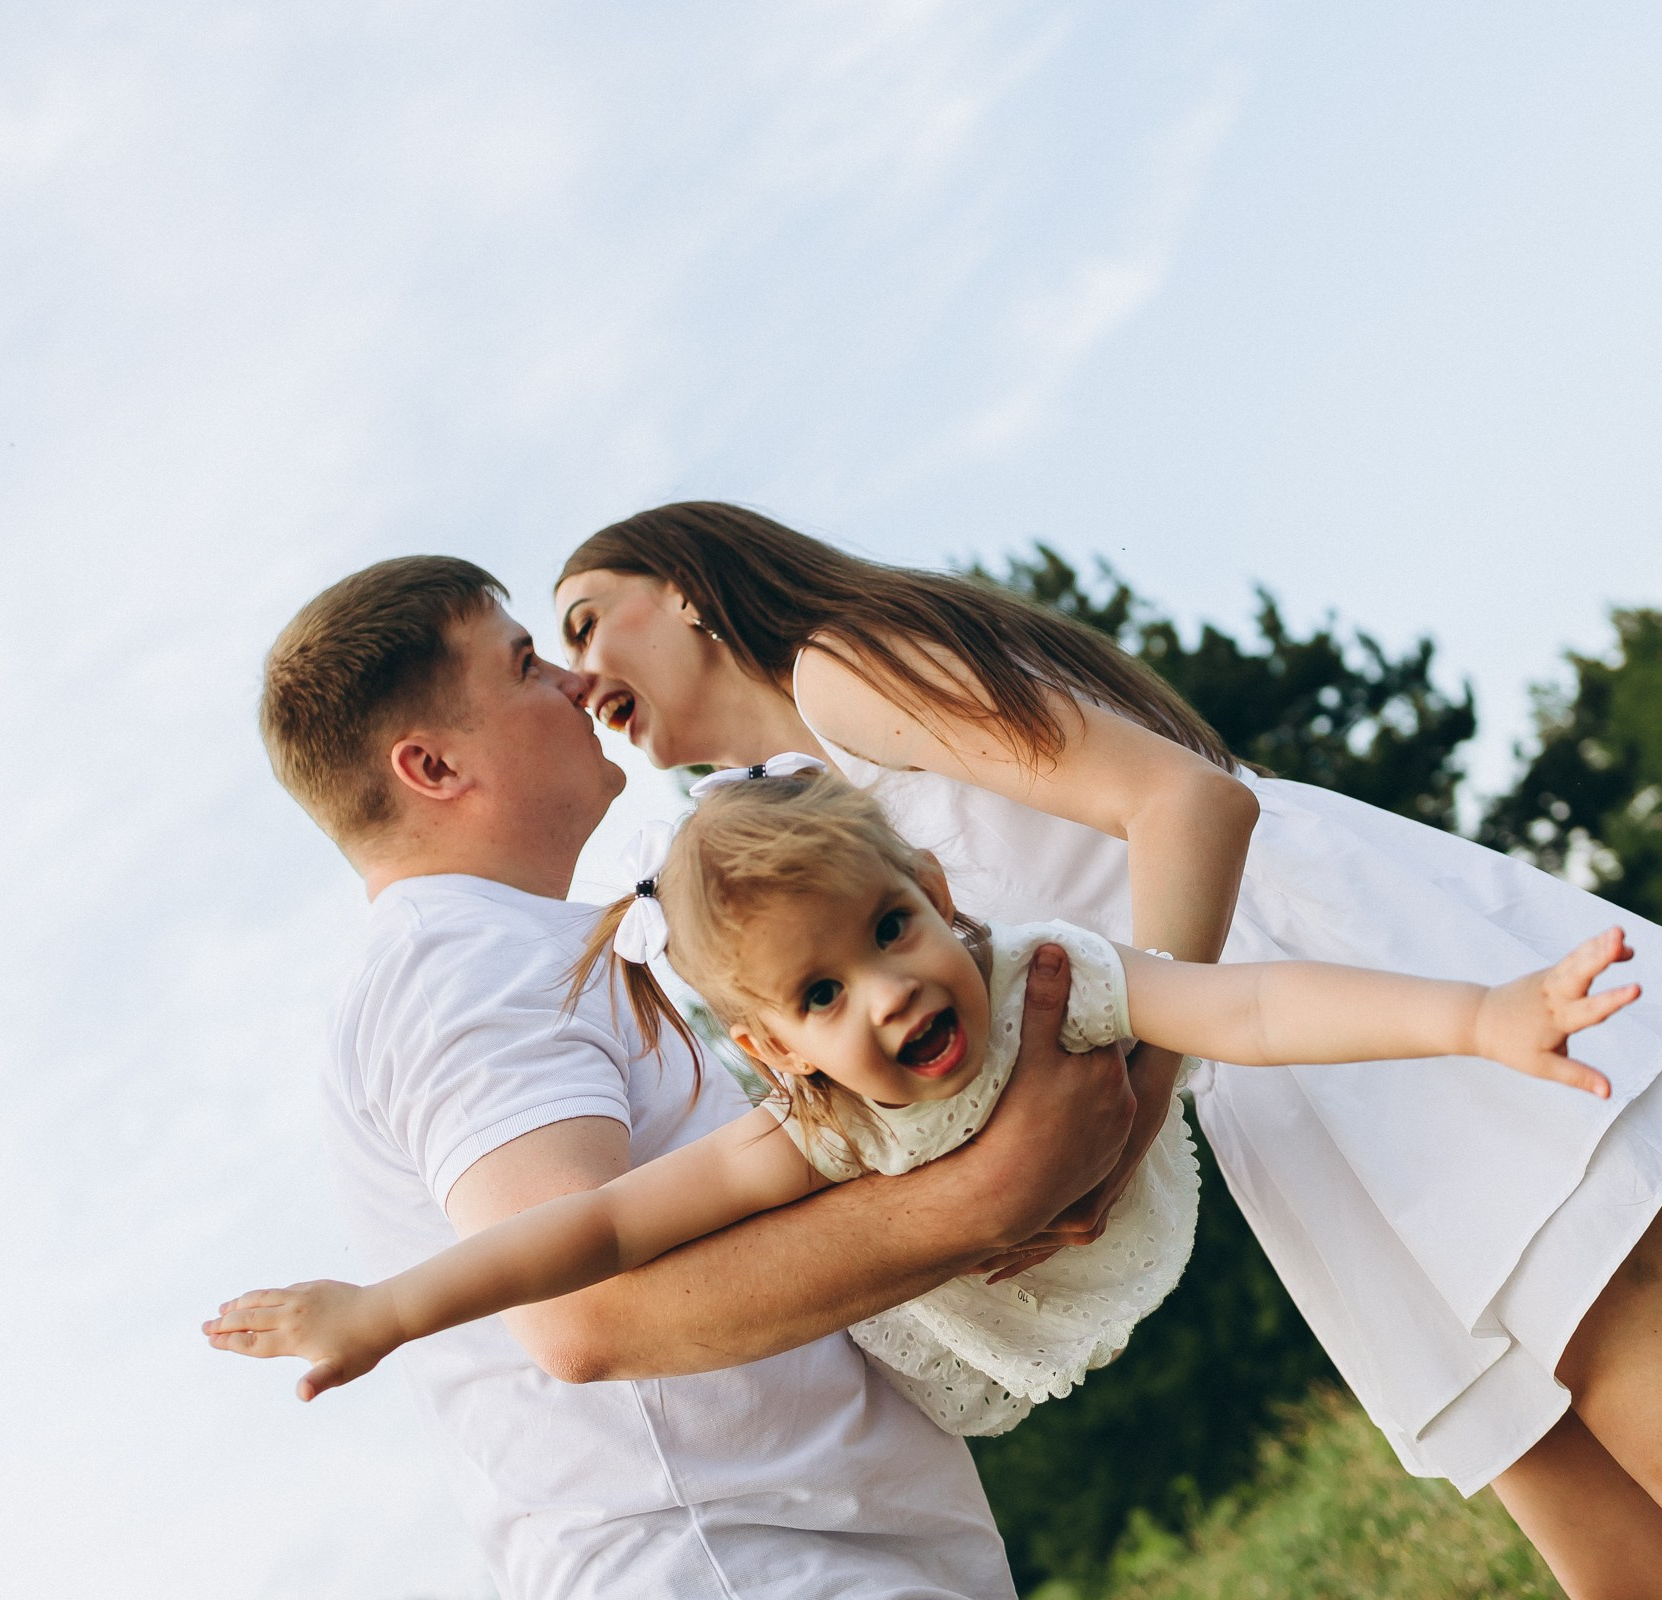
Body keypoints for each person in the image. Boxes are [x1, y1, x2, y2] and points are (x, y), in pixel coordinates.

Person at [548, 503, 1662, 1600]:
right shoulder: (824, 800)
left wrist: (1130, 1105)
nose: (574, 671)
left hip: (1356, 1002)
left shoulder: (845, 667)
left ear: (684, 585)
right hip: (1283, 1093)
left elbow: (1191, 807)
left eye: (585, 618)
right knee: (1634, 1576)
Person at [235, 553, 1153, 1600]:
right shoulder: (460, 965)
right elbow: (581, 1321)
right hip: (731, 1563)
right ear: (433, 768)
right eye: (526, 664)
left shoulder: (493, 950)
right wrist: (996, 1192)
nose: (577, 683)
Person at [207, 766, 1640, 1434]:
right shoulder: (810, 1130)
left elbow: (1254, 1006)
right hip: (955, 1338)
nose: (885, 997)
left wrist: (1479, 1018)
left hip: (1114, 1231)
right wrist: (389, 1308)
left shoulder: (1048, 979)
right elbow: (591, 1236)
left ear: (940, 897)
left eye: (889, 932)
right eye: (819, 998)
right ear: (774, 1054)